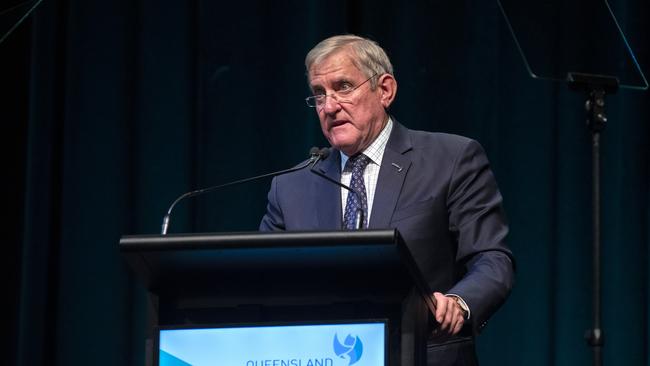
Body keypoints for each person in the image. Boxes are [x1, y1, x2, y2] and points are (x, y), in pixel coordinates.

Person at [259, 34, 514, 366]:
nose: (330, 106)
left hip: (423, 353)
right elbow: (264, 283)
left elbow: (492, 259)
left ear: (385, 90)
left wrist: (459, 301)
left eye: (344, 87)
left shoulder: (450, 159)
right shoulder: (291, 186)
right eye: (319, 95)